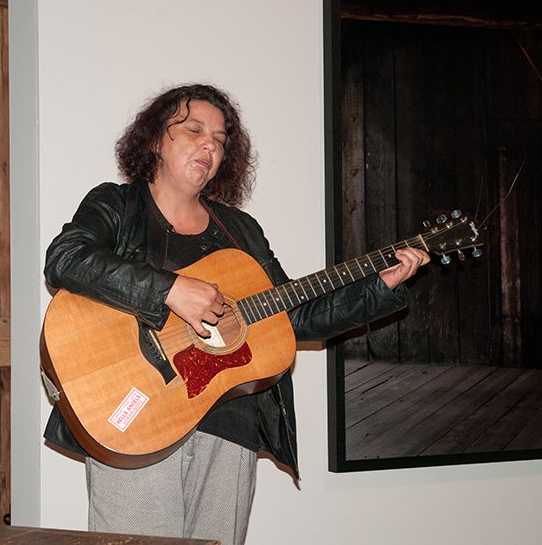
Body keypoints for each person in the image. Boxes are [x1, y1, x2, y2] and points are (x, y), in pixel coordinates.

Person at [43, 83, 429, 544]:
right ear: (155, 140)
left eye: (220, 140)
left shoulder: (241, 231)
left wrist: (377, 288)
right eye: (194, 130)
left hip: (230, 424)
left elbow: (293, 317)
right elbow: (66, 259)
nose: (209, 146)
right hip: (138, 417)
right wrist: (170, 290)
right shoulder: (118, 206)